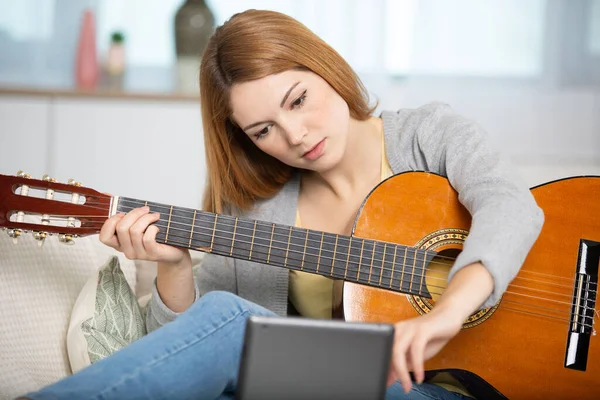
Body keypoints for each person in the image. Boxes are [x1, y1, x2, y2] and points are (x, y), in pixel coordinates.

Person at [19, 9, 544, 400]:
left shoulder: (427, 134)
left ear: (325, 68)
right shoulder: (254, 213)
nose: (294, 134)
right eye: (263, 129)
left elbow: (511, 206)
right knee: (227, 326)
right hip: (325, 385)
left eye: (298, 100)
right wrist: (175, 267)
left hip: (448, 392)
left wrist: (446, 314)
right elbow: (184, 359)